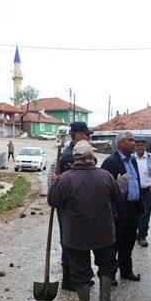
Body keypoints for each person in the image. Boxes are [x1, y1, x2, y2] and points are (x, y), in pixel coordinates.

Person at [48, 140, 128, 301]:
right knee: (107, 264)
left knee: (80, 268)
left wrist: (54, 183)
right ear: (91, 156)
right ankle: (105, 299)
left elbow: (53, 201)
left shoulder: (65, 179)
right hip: (103, 232)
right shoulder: (105, 176)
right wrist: (122, 182)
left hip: (76, 234)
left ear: (75, 159)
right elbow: (118, 197)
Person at [48, 121, 94, 291]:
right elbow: (69, 187)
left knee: (76, 240)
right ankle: (70, 279)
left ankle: (79, 277)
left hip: (75, 207)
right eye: (87, 135)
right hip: (70, 208)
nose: (90, 138)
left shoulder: (74, 153)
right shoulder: (69, 157)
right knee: (70, 241)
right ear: (79, 136)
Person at [100, 131, 144, 282]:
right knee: (115, 243)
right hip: (118, 210)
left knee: (129, 241)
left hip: (132, 208)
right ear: (120, 143)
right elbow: (106, 189)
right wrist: (112, 210)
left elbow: (136, 184)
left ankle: (126, 270)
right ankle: (109, 275)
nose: (134, 143)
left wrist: (140, 206)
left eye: (134, 140)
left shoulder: (132, 161)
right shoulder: (111, 162)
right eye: (129, 140)